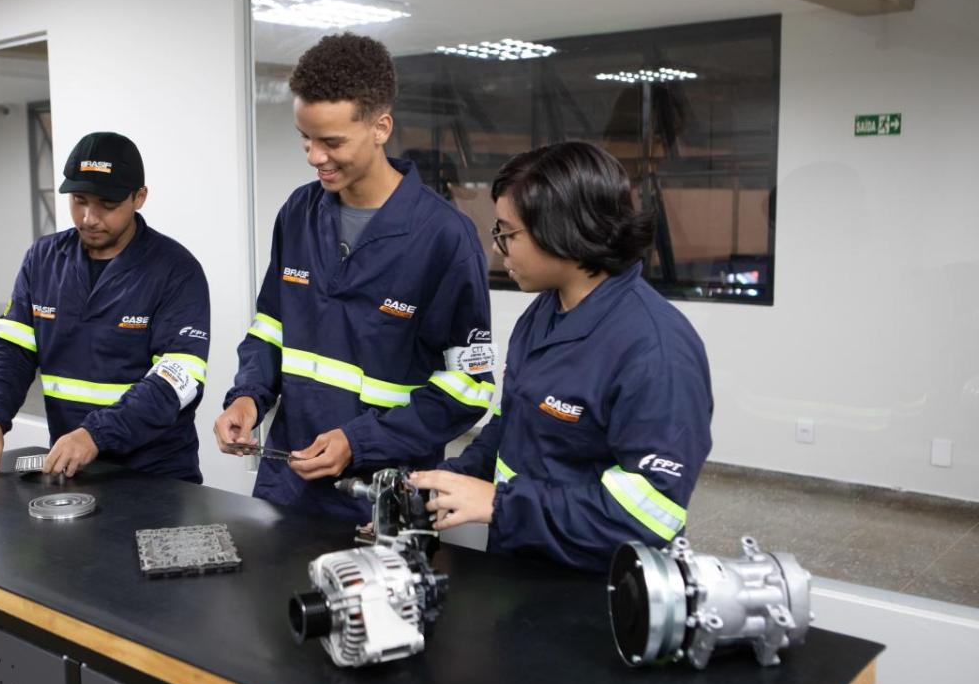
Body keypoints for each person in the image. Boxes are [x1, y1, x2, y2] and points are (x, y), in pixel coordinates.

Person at [214, 33, 496, 521]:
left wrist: (359, 440)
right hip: (287, 486)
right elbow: (270, 327)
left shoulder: (444, 238)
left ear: (381, 127)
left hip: (383, 500)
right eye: (305, 139)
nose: (314, 156)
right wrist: (247, 397)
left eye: (331, 142)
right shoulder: (298, 213)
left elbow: (469, 389)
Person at [410, 141, 713, 571]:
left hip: (599, 589)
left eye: (507, 233)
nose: (498, 249)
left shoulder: (656, 351)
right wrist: (446, 484)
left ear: (563, 230)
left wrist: (502, 504)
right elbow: (511, 426)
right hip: (523, 563)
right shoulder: (543, 315)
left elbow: (650, 516)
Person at [0, 132, 210, 480]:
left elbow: (179, 379)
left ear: (139, 197)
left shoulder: (176, 271)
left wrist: (96, 433)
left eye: (107, 204)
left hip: (156, 474)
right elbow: (12, 350)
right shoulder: (42, 260)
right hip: (71, 467)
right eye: (79, 200)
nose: (89, 218)